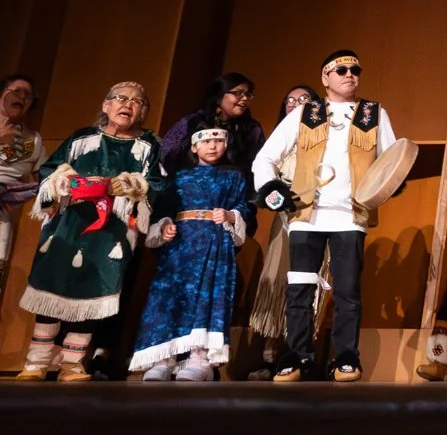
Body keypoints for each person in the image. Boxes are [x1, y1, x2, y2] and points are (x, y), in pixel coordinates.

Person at [252, 52, 398, 382]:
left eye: (355, 69)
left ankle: (346, 356)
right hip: (306, 215)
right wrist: (272, 190)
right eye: (341, 70)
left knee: (347, 292)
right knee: (299, 288)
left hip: (350, 217)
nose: (350, 75)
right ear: (325, 78)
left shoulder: (373, 114)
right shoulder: (306, 114)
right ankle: (297, 355)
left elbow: (393, 162)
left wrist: (384, 189)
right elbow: (265, 159)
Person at [17, 81, 171, 382]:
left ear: (143, 112)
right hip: (70, 222)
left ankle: (72, 362)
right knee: (53, 282)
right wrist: (64, 180)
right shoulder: (82, 138)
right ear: (106, 105)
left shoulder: (148, 147)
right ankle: (36, 361)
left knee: (96, 286)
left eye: (136, 101)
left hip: (112, 230)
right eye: (120, 98)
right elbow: (49, 171)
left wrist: (132, 185)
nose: (127, 104)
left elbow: (157, 184)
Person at [130, 127, 253, 381]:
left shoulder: (234, 177)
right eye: (206, 141)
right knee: (170, 297)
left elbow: (245, 207)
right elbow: (164, 208)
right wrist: (165, 225)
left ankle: (199, 358)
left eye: (218, 141)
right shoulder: (179, 177)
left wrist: (231, 215)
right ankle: (163, 358)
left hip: (214, 243)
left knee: (206, 297)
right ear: (194, 147)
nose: (212, 146)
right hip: (181, 246)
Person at [246, 84, 315, 381]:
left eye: (304, 99)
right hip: (286, 216)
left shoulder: (324, 139)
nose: (296, 104)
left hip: (318, 217)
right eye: (290, 100)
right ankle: (269, 354)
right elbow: (264, 175)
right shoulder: (276, 143)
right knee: (278, 277)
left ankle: (301, 353)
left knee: (309, 282)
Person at [159, 72, 265, 175]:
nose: (245, 98)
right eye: (238, 93)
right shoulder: (193, 122)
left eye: (248, 94)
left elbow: (259, 165)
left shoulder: (252, 129)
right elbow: (166, 155)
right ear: (219, 96)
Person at [0, 73, 47, 284]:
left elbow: (48, 181)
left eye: (27, 95)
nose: (22, 96)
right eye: (16, 91)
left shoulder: (32, 140)